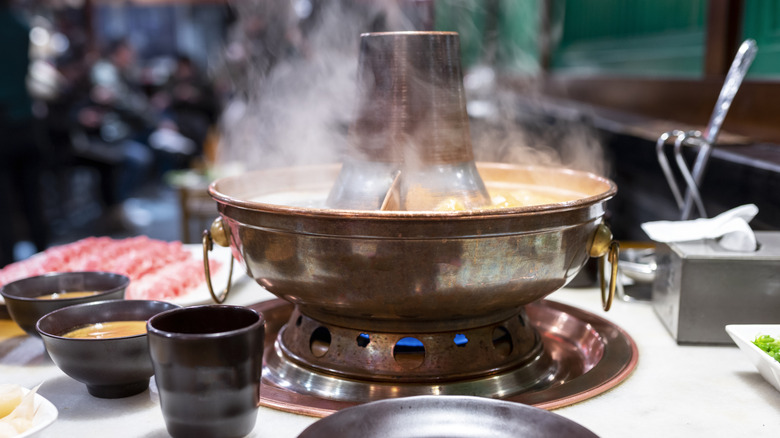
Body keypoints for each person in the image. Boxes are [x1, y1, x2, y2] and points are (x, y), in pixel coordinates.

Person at [0, 0, 49, 267]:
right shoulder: (22, 26)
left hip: (3, 124)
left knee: (4, 207)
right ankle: (42, 260)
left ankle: (6, 271)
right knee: (34, 198)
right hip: (27, 123)